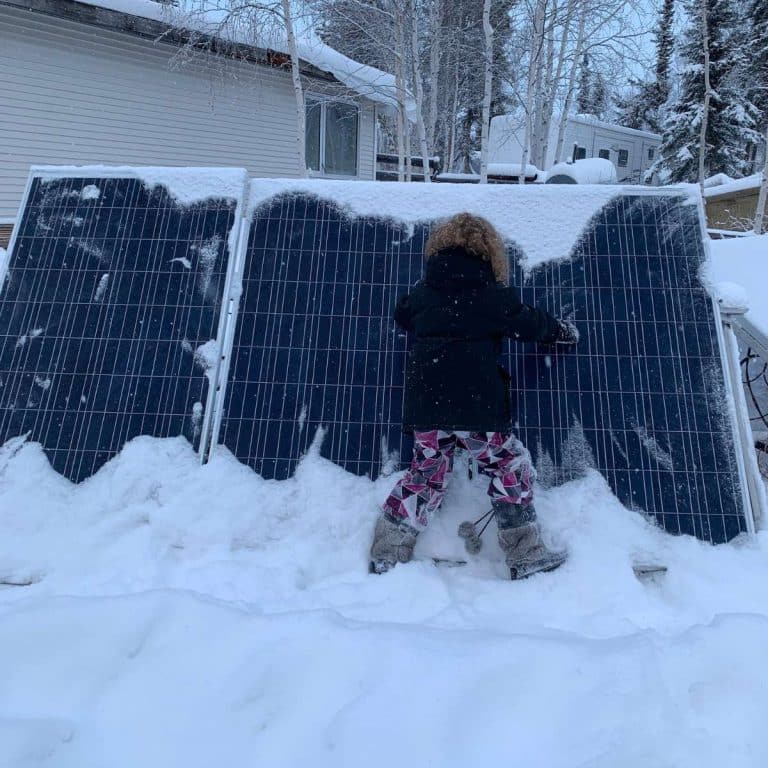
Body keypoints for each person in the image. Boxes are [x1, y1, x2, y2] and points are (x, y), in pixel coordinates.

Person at [369, 212, 579, 578]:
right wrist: (559, 330)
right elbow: (529, 323)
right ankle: (525, 552)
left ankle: (387, 551)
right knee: (508, 466)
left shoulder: (423, 294)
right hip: (479, 411)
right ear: (489, 253)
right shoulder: (493, 297)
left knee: (425, 474)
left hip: (427, 408)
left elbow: (402, 315)